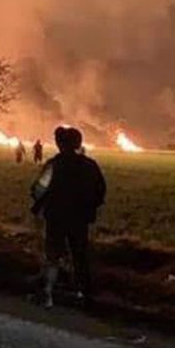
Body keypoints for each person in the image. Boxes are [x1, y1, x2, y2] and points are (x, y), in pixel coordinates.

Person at [30, 126, 106, 308]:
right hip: (80, 219)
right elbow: (100, 190)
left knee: (53, 255)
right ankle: (84, 294)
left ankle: (48, 294)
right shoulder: (90, 166)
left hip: (56, 217)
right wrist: (89, 208)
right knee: (80, 255)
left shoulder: (54, 165)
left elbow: (39, 189)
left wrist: (39, 201)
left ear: (59, 144)